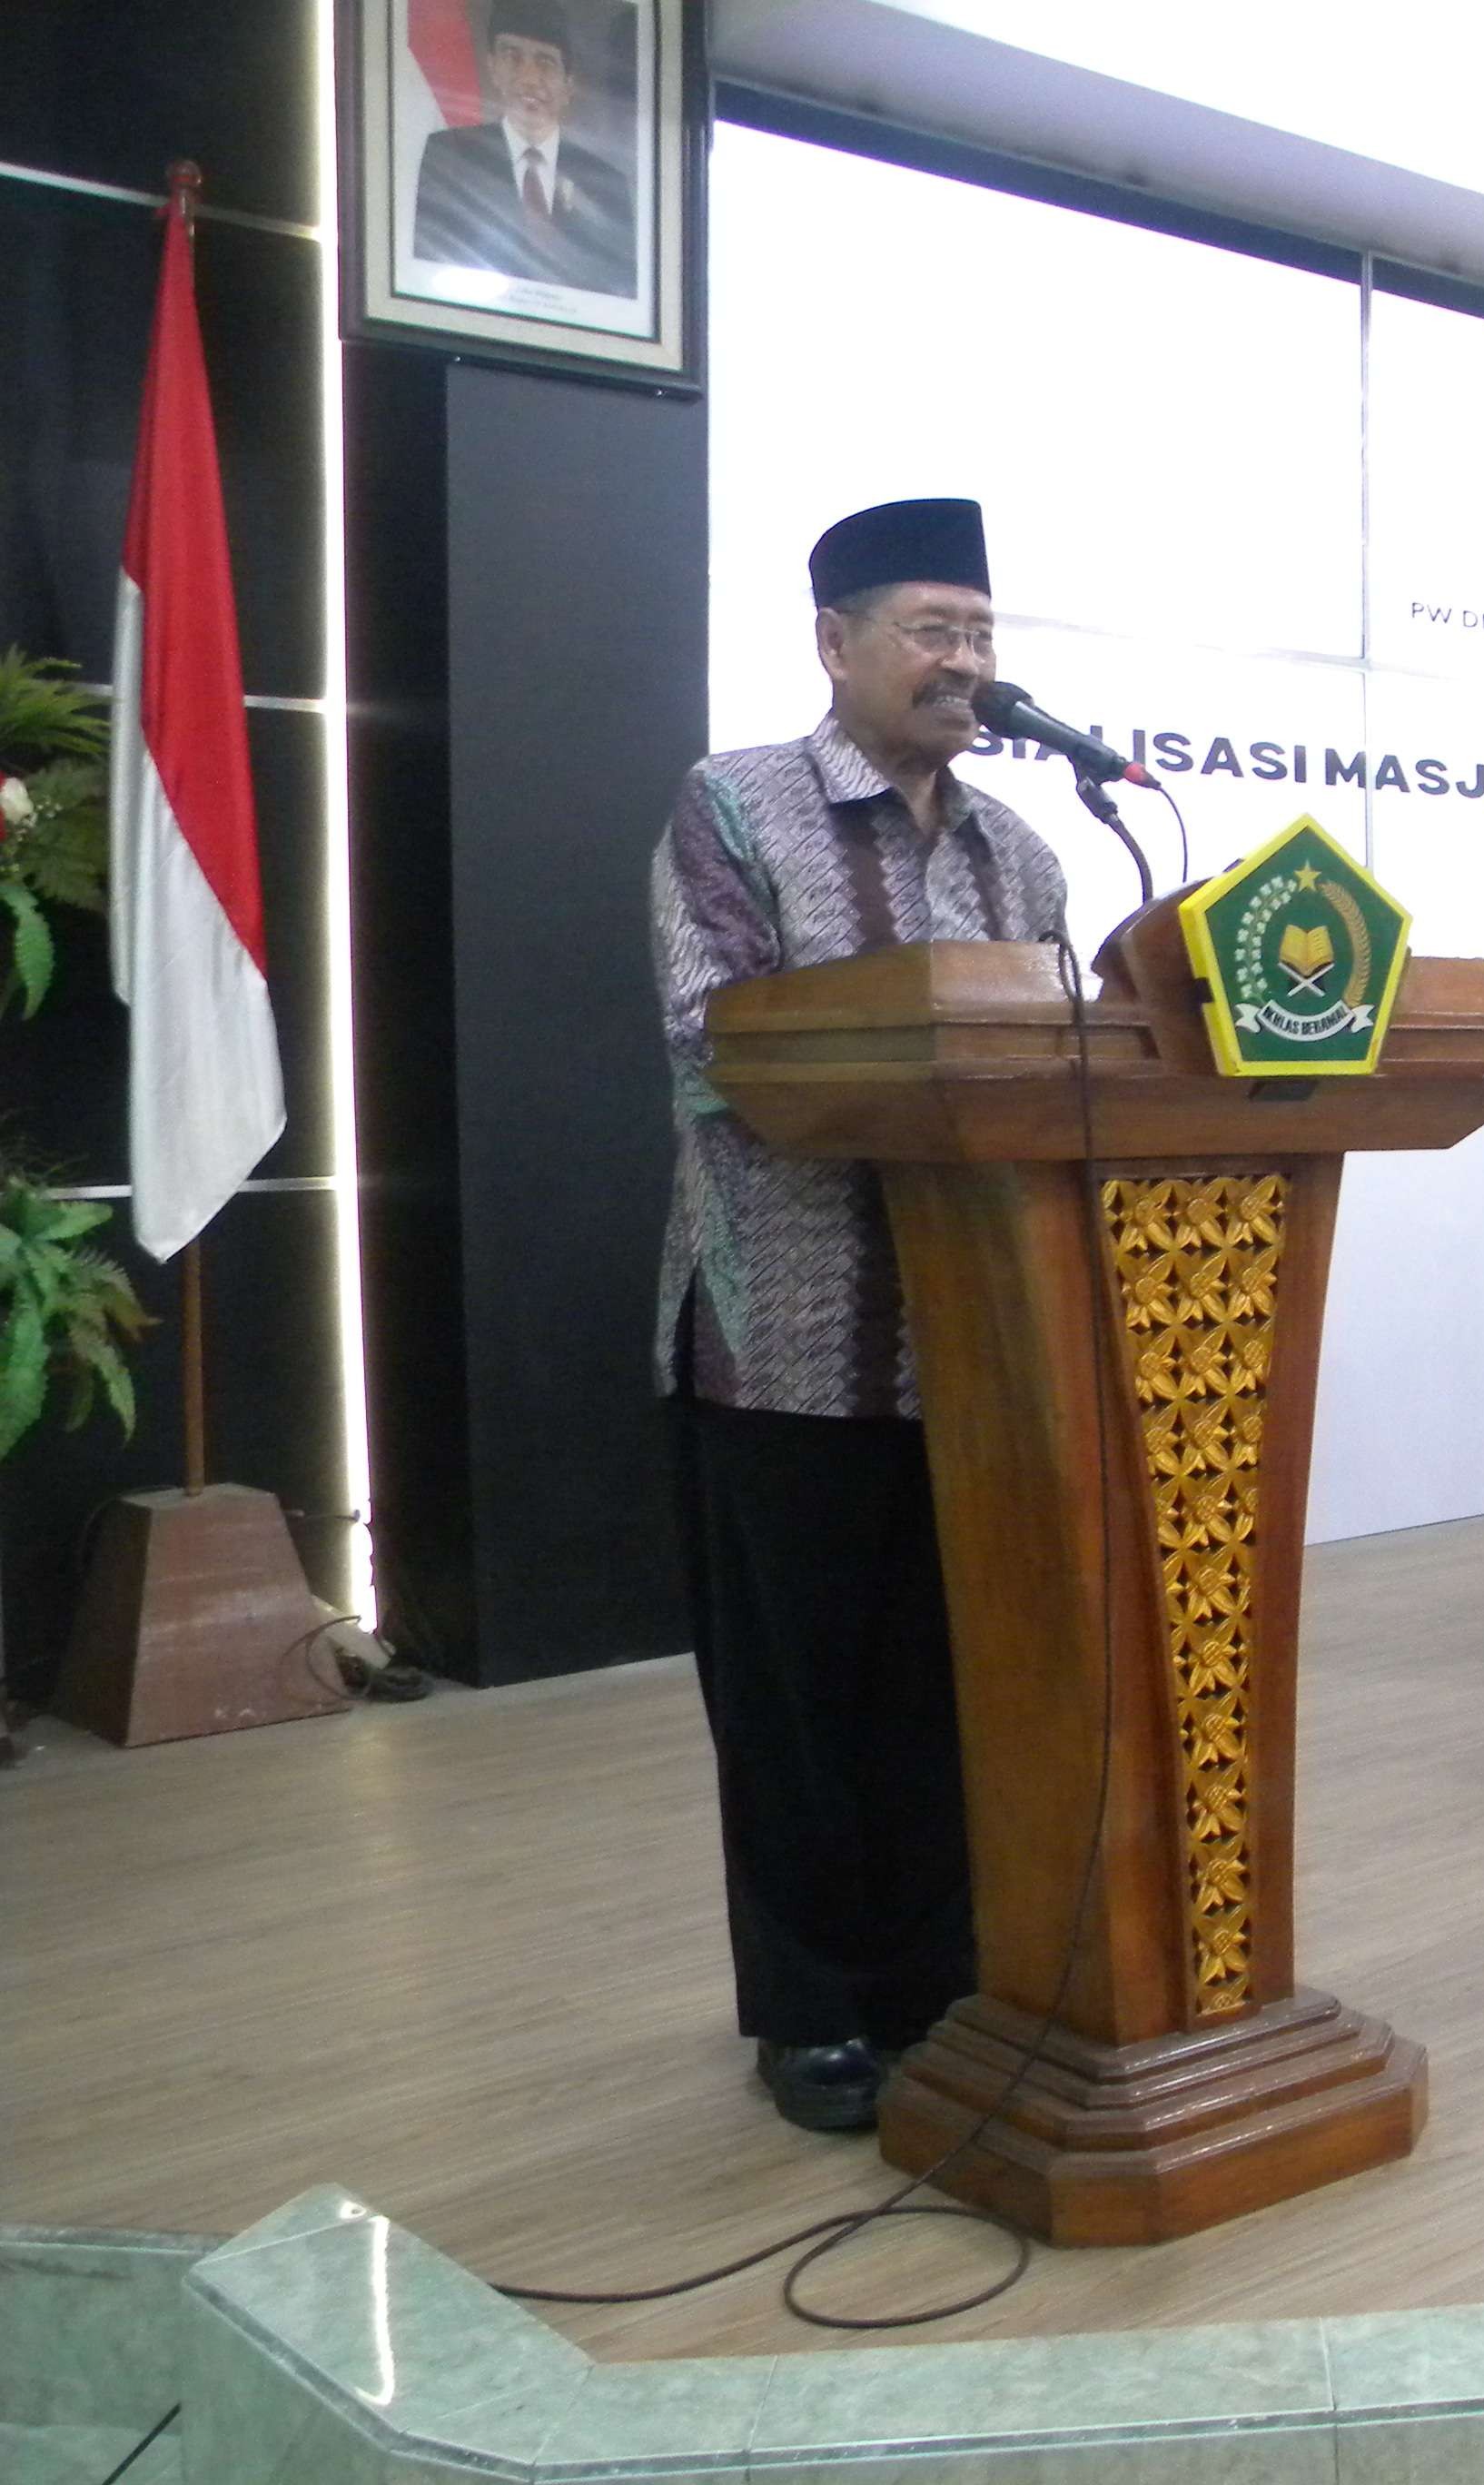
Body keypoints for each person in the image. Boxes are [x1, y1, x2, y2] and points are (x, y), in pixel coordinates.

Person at [649, 497, 1069, 2133]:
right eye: (929, 630)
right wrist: (938, 1089)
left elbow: (1069, 1068)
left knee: (946, 1686)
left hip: (976, 1346)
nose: (963, 662)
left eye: (980, 632)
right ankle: (813, 2007)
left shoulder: (1019, 850)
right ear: (834, 645)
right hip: (790, 1335)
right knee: (800, 1699)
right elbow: (713, 1042)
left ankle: (937, 1976)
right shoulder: (735, 806)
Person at [408, 0, 638, 297]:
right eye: (512, 56)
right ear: (492, 66)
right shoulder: (449, 156)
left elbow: (620, 295)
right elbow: (428, 266)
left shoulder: (605, 184)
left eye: (545, 62)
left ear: (568, 84)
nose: (529, 79)